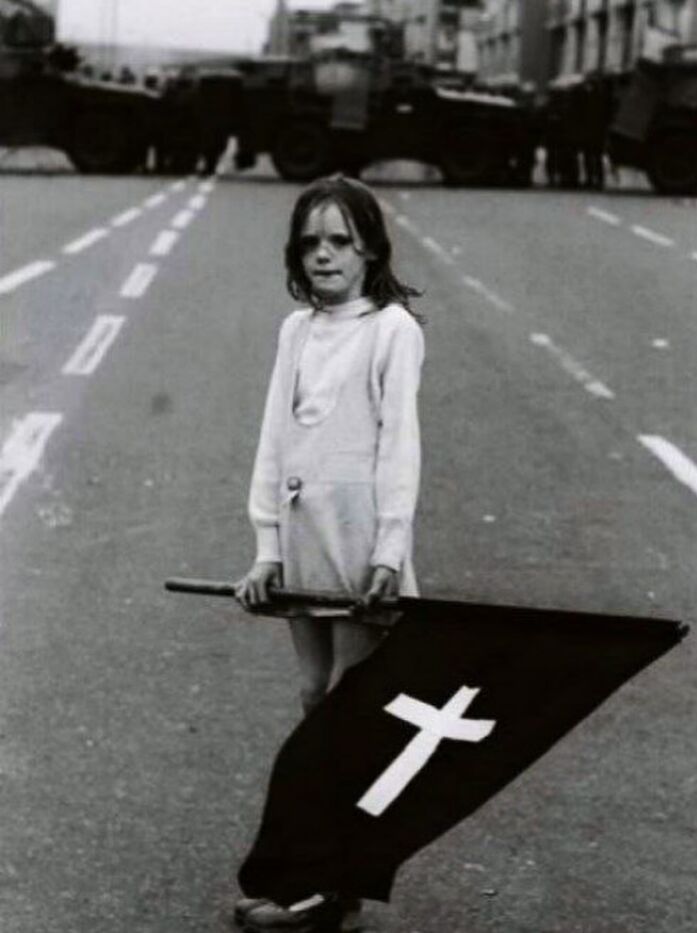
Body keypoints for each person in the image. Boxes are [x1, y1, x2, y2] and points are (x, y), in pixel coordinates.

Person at [233, 175, 425, 933]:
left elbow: (399, 447)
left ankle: (321, 886)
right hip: (303, 530)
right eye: (310, 241)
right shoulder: (295, 329)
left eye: (340, 240)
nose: (323, 255)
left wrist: (389, 547)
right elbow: (274, 441)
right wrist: (264, 547)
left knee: (347, 709)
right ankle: (324, 875)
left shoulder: (392, 330)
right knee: (316, 698)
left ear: (371, 247)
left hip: (358, 539)